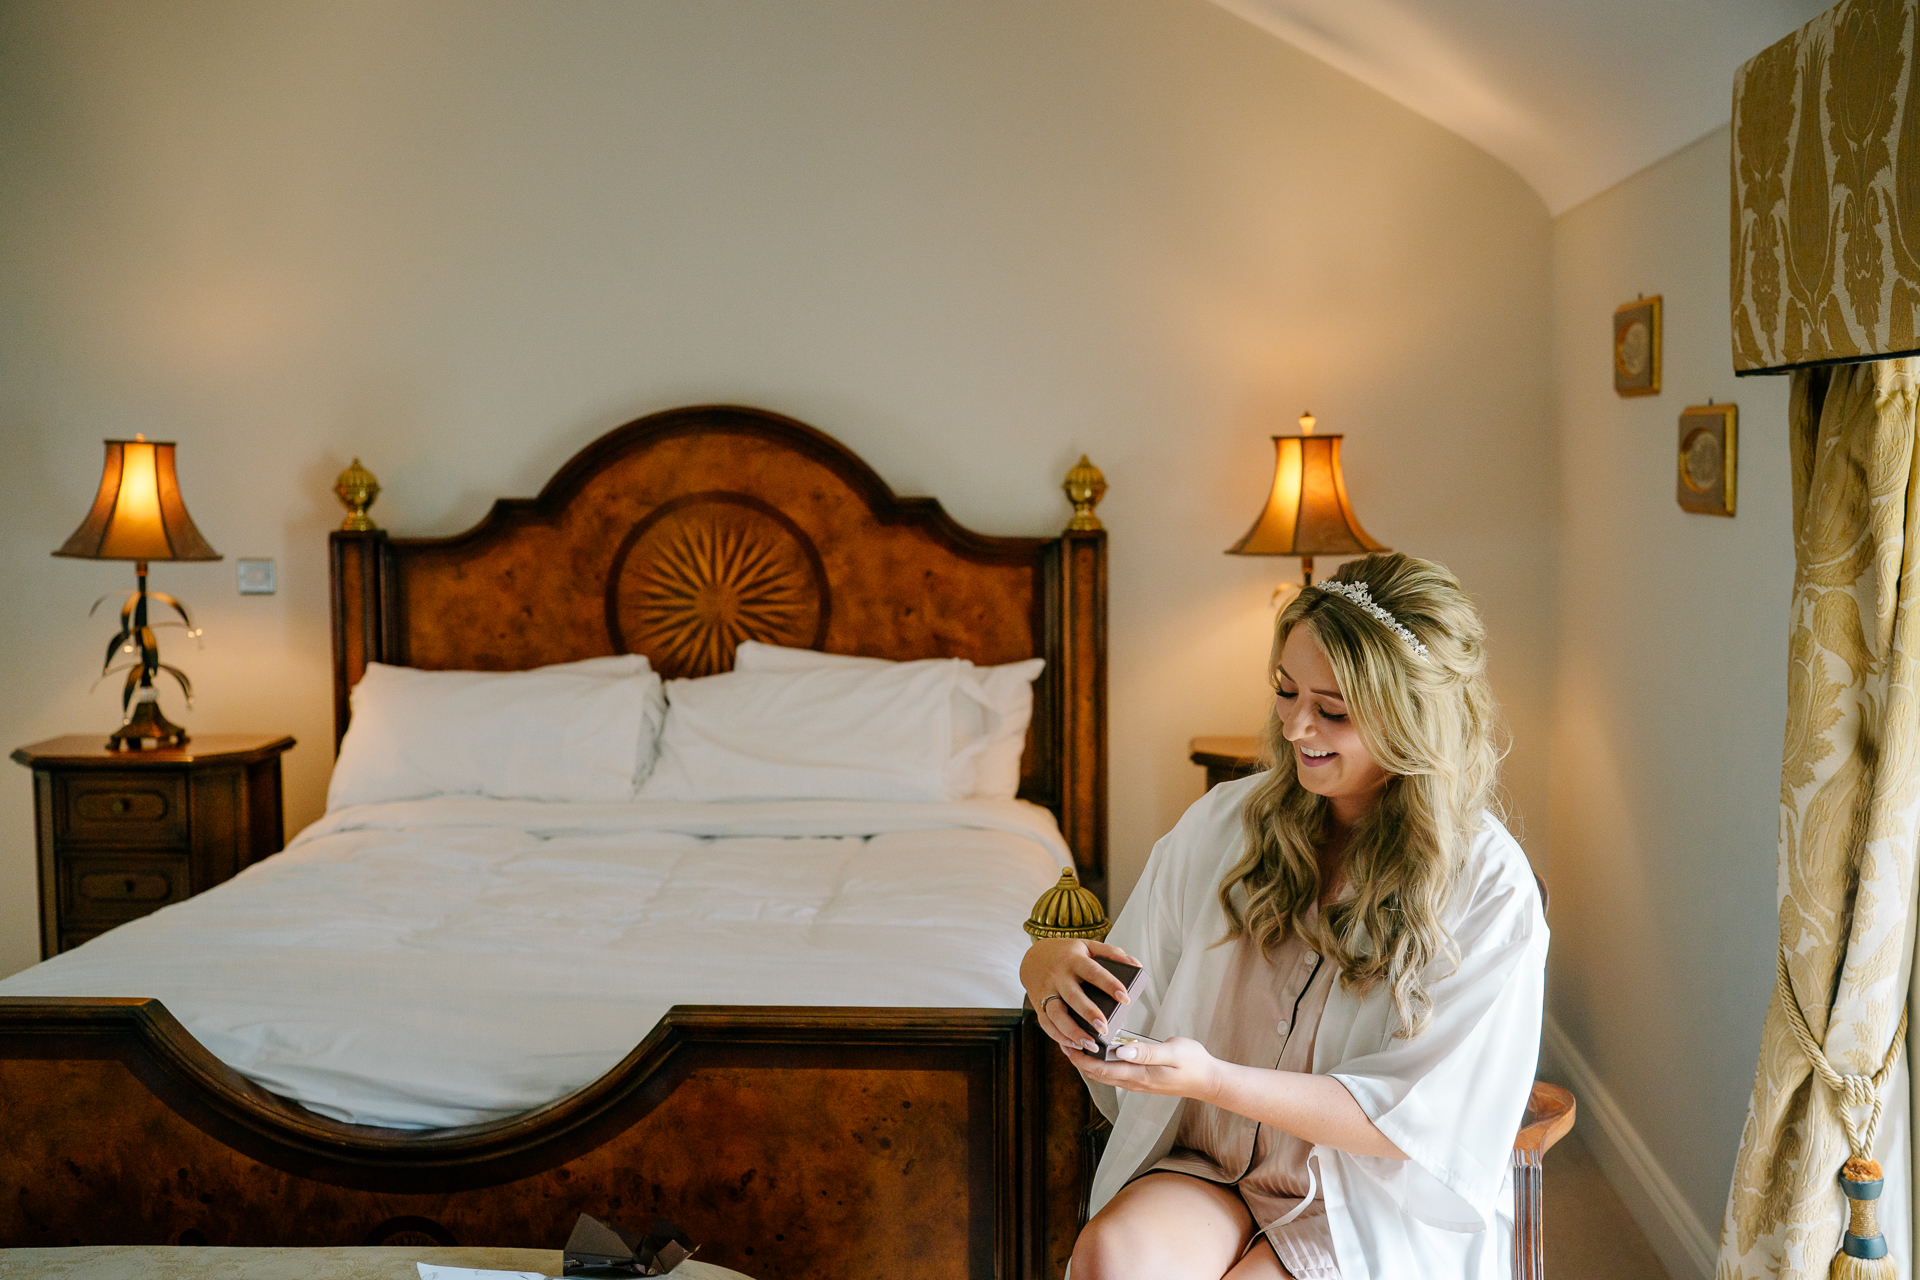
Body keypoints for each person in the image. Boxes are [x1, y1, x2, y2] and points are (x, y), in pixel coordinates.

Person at [1020, 552, 1545, 1280]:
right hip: (1208, 1161)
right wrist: (1045, 967)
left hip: (1358, 1196)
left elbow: (1413, 1120)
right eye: (1286, 691)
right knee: (1114, 1259)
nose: (1297, 728)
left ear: (1415, 717)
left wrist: (1212, 1080)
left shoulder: (1488, 886)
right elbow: (1131, 997)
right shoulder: (1220, 825)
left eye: (1332, 710)